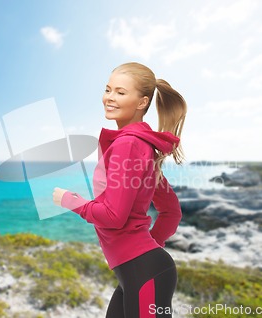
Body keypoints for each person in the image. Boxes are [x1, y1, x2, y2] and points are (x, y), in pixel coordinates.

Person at [52, 62, 186, 318]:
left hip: (144, 272)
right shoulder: (142, 145)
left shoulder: (129, 145)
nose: (110, 98)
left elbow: (114, 216)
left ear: (142, 102)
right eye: (108, 89)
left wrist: (70, 200)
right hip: (139, 272)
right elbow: (171, 212)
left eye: (121, 92)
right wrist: (151, 245)